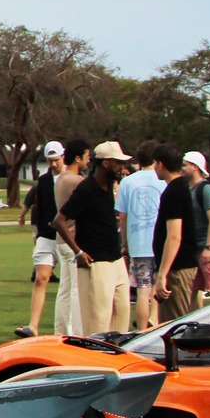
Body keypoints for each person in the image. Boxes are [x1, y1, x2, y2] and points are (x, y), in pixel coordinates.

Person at [55, 141, 134, 335]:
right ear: (105, 163)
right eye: (118, 163)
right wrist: (78, 251)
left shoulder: (108, 186)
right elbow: (59, 220)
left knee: (122, 317)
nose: (122, 167)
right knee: (98, 324)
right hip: (96, 263)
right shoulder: (86, 188)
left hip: (115, 260)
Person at [16, 139, 65, 337]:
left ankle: (67, 328)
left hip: (66, 238)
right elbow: (40, 208)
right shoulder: (43, 181)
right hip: (47, 236)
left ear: (63, 157)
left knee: (69, 285)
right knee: (41, 278)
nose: (53, 164)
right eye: (50, 160)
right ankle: (33, 326)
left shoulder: (70, 178)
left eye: (56, 160)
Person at [115, 141, 163, 332]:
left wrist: (125, 243)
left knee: (142, 291)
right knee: (159, 286)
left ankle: (143, 330)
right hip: (159, 242)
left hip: (138, 243)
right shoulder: (162, 179)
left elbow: (123, 216)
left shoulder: (128, 182)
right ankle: (156, 322)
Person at [151, 145, 200, 322]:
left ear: (161, 164)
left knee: (176, 324)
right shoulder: (179, 188)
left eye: (155, 163)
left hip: (178, 268)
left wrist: (162, 274)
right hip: (178, 265)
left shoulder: (174, 192)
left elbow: (174, 236)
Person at [50, 138, 92, 337]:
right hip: (73, 239)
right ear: (77, 158)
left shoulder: (60, 179)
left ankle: (61, 330)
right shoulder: (77, 182)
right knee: (76, 288)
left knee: (65, 288)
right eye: (86, 157)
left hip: (61, 240)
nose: (88, 161)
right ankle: (77, 332)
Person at [183, 151, 210, 298]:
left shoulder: (206, 189)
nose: (181, 168)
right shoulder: (188, 189)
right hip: (196, 248)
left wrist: (209, 247)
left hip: (209, 248)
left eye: (185, 165)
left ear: (195, 167)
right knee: (193, 291)